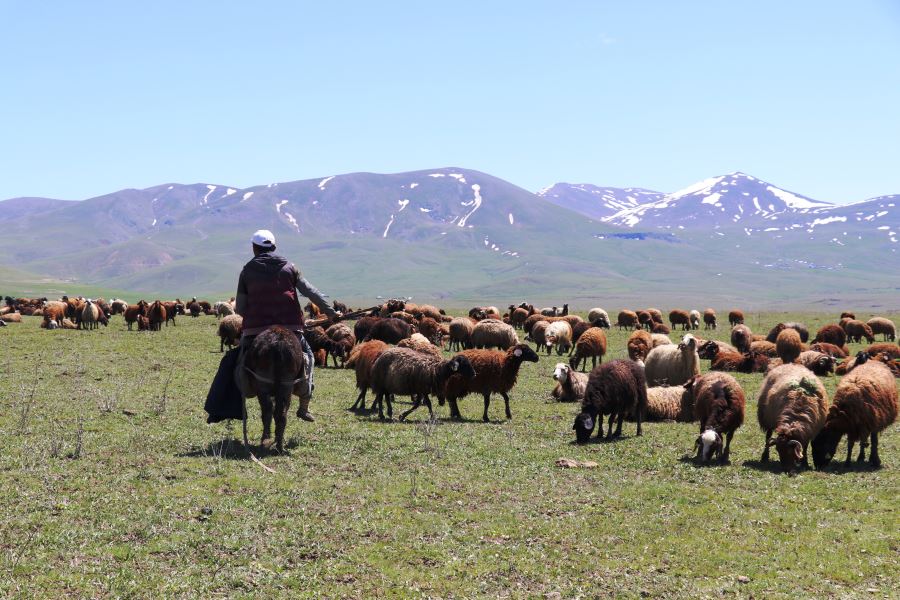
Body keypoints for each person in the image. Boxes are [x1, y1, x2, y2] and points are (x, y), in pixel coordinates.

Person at [234, 229, 340, 422]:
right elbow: (311, 292)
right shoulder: (290, 268)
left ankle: (235, 402)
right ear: (274, 247)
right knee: (308, 356)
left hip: (255, 329)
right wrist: (331, 313)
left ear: (254, 248)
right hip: (291, 327)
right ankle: (304, 405)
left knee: (235, 360)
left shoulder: (246, 271)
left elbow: (240, 308)